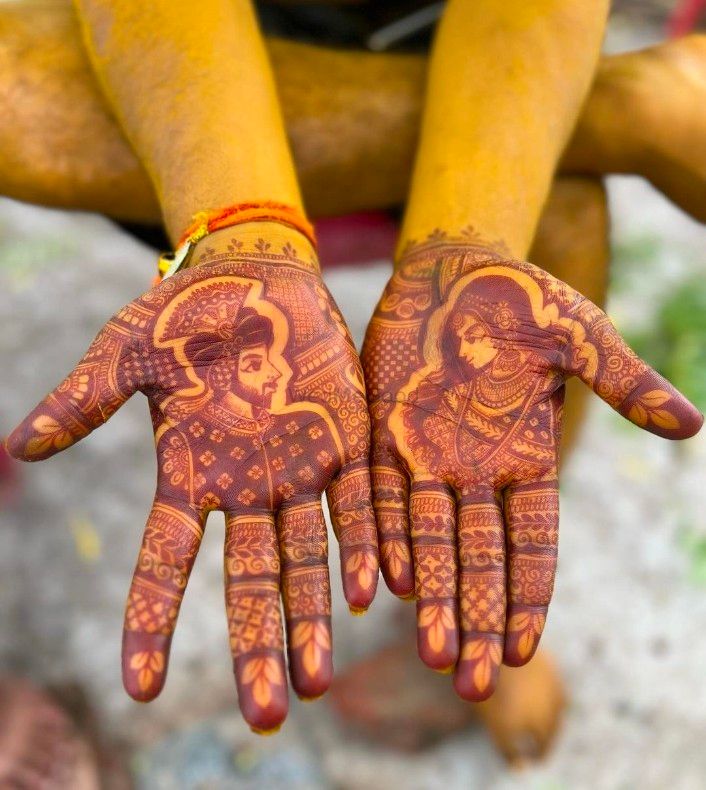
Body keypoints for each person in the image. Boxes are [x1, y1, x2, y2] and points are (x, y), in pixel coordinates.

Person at [4, 0, 702, 744]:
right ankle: (618, 112)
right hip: (204, 96)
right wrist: (248, 229)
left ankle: (480, 577)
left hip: (486, 68)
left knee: (544, 236)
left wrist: (467, 237)